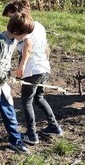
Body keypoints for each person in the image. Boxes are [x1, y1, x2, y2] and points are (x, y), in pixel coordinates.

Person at [7, 12, 62, 144]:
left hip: (33, 70)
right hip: (44, 68)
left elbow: (28, 45)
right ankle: (54, 126)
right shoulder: (39, 26)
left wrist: (22, 66)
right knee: (38, 98)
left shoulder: (25, 30)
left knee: (26, 101)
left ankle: (31, 135)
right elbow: (44, 47)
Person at [0, 29, 30, 155]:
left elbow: (6, 62)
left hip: (2, 83)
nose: (26, 36)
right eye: (24, 32)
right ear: (17, 29)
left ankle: (15, 140)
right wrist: (4, 78)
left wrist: (8, 76)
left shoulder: (14, 40)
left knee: (9, 113)